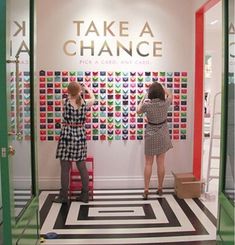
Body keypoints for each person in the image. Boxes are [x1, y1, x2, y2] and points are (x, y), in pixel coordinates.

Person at [54, 81, 95, 203]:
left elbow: (70, 95)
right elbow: (94, 98)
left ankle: (63, 196)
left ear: (68, 91)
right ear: (79, 91)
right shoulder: (84, 103)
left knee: (65, 168)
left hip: (66, 135)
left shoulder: (64, 102)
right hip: (80, 135)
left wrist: (75, 91)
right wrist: (86, 88)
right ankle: (85, 194)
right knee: (81, 166)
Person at [137, 82, 173, 199]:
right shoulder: (165, 103)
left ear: (151, 93)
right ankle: (160, 188)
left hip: (150, 134)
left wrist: (142, 98)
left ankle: (146, 190)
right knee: (161, 163)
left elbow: (138, 111)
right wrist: (163, 87)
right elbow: (170, 95)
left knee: (148, 163)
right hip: (163, 134)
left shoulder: (148, 105)